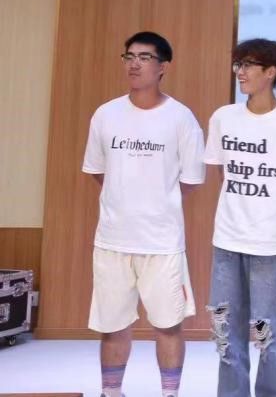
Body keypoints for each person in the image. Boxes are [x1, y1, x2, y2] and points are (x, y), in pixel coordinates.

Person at [81, 31, 205, 397]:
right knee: (112, 326)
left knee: (168, 325)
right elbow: (98, 171)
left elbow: (190, 181)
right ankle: (111, 392)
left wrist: (155, 202)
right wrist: (126, 199)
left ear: (163, 67)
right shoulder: (106, 114)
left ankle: (169, 393)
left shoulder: (181, 118)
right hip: (112, 240)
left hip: (162, 242)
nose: (134, 64)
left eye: (145, 57)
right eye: (129, 56)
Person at [204, 38, 276, 397]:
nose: (240, 72)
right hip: (227, 242)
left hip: (271, 246)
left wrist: (271, 209)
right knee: (225, 332)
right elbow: (222, 172)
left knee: (270, 335)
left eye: (249, 65)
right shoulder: (223, 117)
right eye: (238, 64)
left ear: (271, 72)